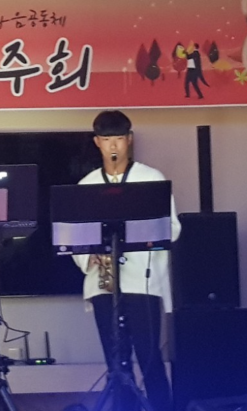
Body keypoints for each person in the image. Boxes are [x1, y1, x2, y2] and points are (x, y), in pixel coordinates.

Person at [72, 110, 181, 411]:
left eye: (119, 139)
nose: (114, 146)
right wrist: (90, 254)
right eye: (107, 140)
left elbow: (172, 228)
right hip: (103, 283)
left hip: (142, 282)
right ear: (97, 142)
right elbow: (76, 236)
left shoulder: (151, 179)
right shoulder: (86, 185)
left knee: (150, 358)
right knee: (116, 364)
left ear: (129, 140)